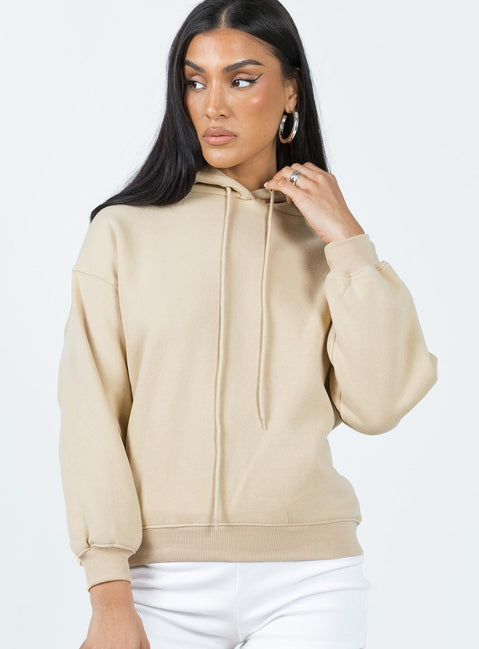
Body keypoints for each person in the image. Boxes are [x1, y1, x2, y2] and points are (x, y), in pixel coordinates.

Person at [56, 0, 439, 647]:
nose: (212, 106)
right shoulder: (123, 232)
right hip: (157, 583)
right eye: (194, 80)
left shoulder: (324, 243)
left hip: (312, 578)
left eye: (240, 80)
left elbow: (376, 406)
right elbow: (90, 415)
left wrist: (347, 241)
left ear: (290, 90)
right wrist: (108, 593)